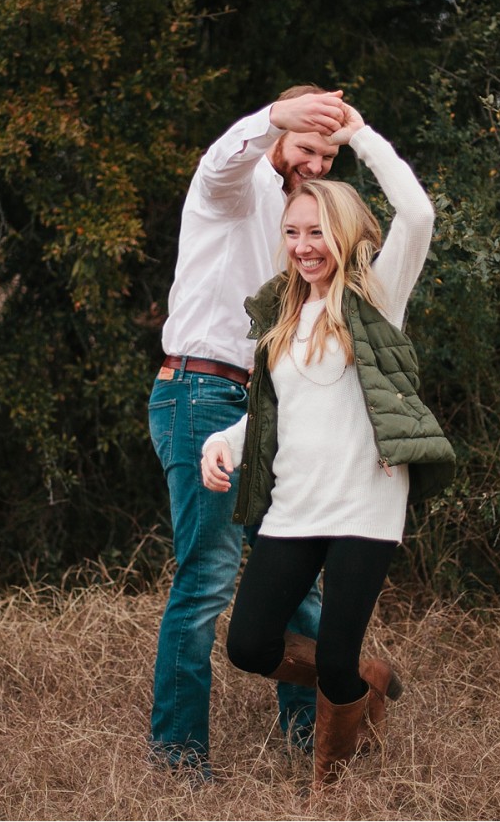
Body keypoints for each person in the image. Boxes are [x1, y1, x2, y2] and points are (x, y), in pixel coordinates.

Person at [200, 103, 455, 790]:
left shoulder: (376, 293)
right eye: (292, 231)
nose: (303, 244)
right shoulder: (283, 315)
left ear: (343, 233)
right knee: (249, 644)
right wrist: (222, 442)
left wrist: (361, 136)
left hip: (365, 505)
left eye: (317, 231)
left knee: (333, 660)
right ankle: (363, 678)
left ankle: (330, 788)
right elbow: (273, 411)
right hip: (296, 505)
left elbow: (420, 215)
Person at [148, 86, 351, 780]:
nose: (317, 163)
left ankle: (313, 739)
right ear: (280, 135)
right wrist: (274, 118)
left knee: (297, 578)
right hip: (199, 393)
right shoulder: (231, 188)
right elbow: (220, 158)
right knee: (206, 580)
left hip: (263, 403)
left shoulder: (303, 222)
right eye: (306, 146)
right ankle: (178, 759)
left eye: (328, 154)